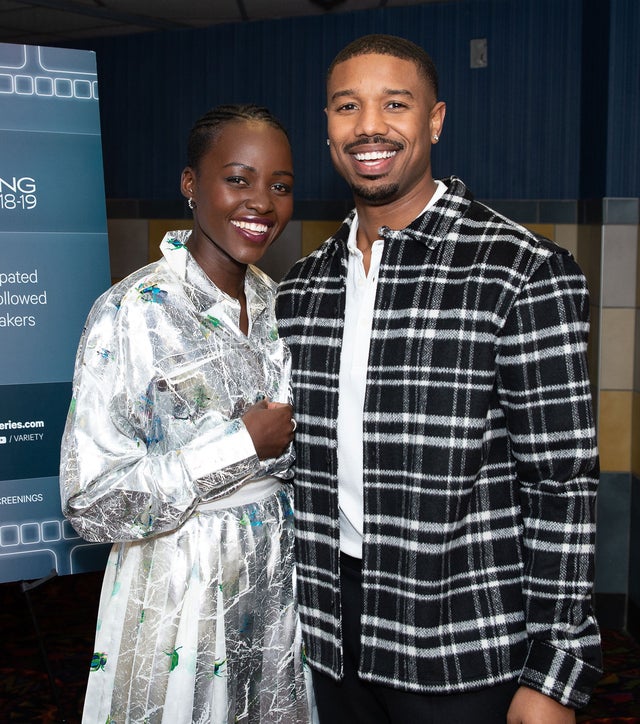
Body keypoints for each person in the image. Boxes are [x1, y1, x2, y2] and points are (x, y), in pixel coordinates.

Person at [276, 34, 602, 724]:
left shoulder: (519, 270)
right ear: (329, 128)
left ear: (435, 120)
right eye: (347, 107)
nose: (368, 127)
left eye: (395, 104)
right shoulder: (301, 289)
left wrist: (554, 673)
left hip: (463, 636)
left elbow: (561, 481)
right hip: (330, 628)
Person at [60, 104, 312, 723]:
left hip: (279, 582)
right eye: (238, 178)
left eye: (280, 186)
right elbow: (90, 500)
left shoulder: (280, 306)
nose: (261, 202)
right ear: (190, 185)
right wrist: (237, 445)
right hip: (177, 590)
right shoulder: (131, 312)